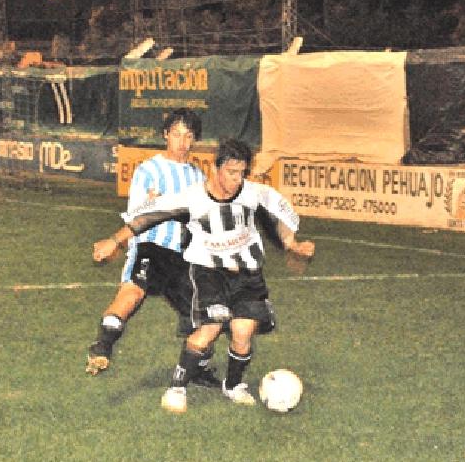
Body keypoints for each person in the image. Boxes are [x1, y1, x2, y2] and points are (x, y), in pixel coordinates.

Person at [91, 138, 315, 414]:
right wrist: (114, 240)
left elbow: (280, 219)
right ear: (216, 168)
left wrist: (293, 245)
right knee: (208, 329)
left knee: (242, 331)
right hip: (209, 273)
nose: (237, 179)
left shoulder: (255, 193)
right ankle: (177, 387)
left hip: (248, 275)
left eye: (242, 173)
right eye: (231, 172)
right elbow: (147, 217)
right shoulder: (193, 197)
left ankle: (233, 385)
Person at [85, 109, 220, 389]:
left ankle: (197, 369)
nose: (182, 142)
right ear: (165, 136)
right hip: (150, 247)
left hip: (182, 256)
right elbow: (137, 216)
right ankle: (102, 346)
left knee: (203, 315)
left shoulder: (197, 175)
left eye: (189, 136)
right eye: (176, 134)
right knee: (132, 293)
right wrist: (117, 241)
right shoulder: (149, 170)